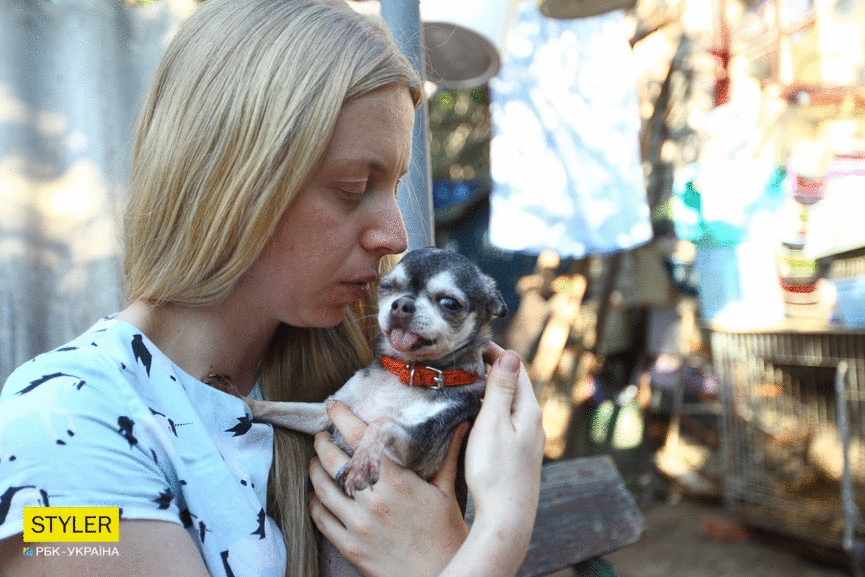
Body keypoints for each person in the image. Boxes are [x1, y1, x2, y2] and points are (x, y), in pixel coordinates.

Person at [0, 0, 545, 576]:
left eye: (395, 187)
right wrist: (500, 530)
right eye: (353, 186)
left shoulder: (362, 376)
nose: (395, 235)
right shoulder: (64, 427)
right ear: (230, 181)